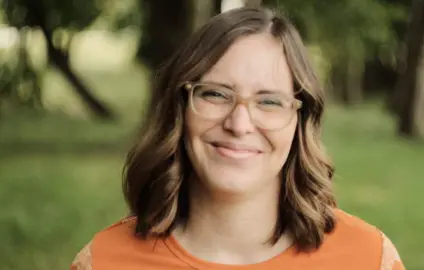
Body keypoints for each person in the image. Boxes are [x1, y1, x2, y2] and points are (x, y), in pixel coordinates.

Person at [71, 7, 405, 270]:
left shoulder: (367, 258)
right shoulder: (105, 261)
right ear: (180, 107)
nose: (239, 123)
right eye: (216, 94)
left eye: (269, 101)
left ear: (299, 121)